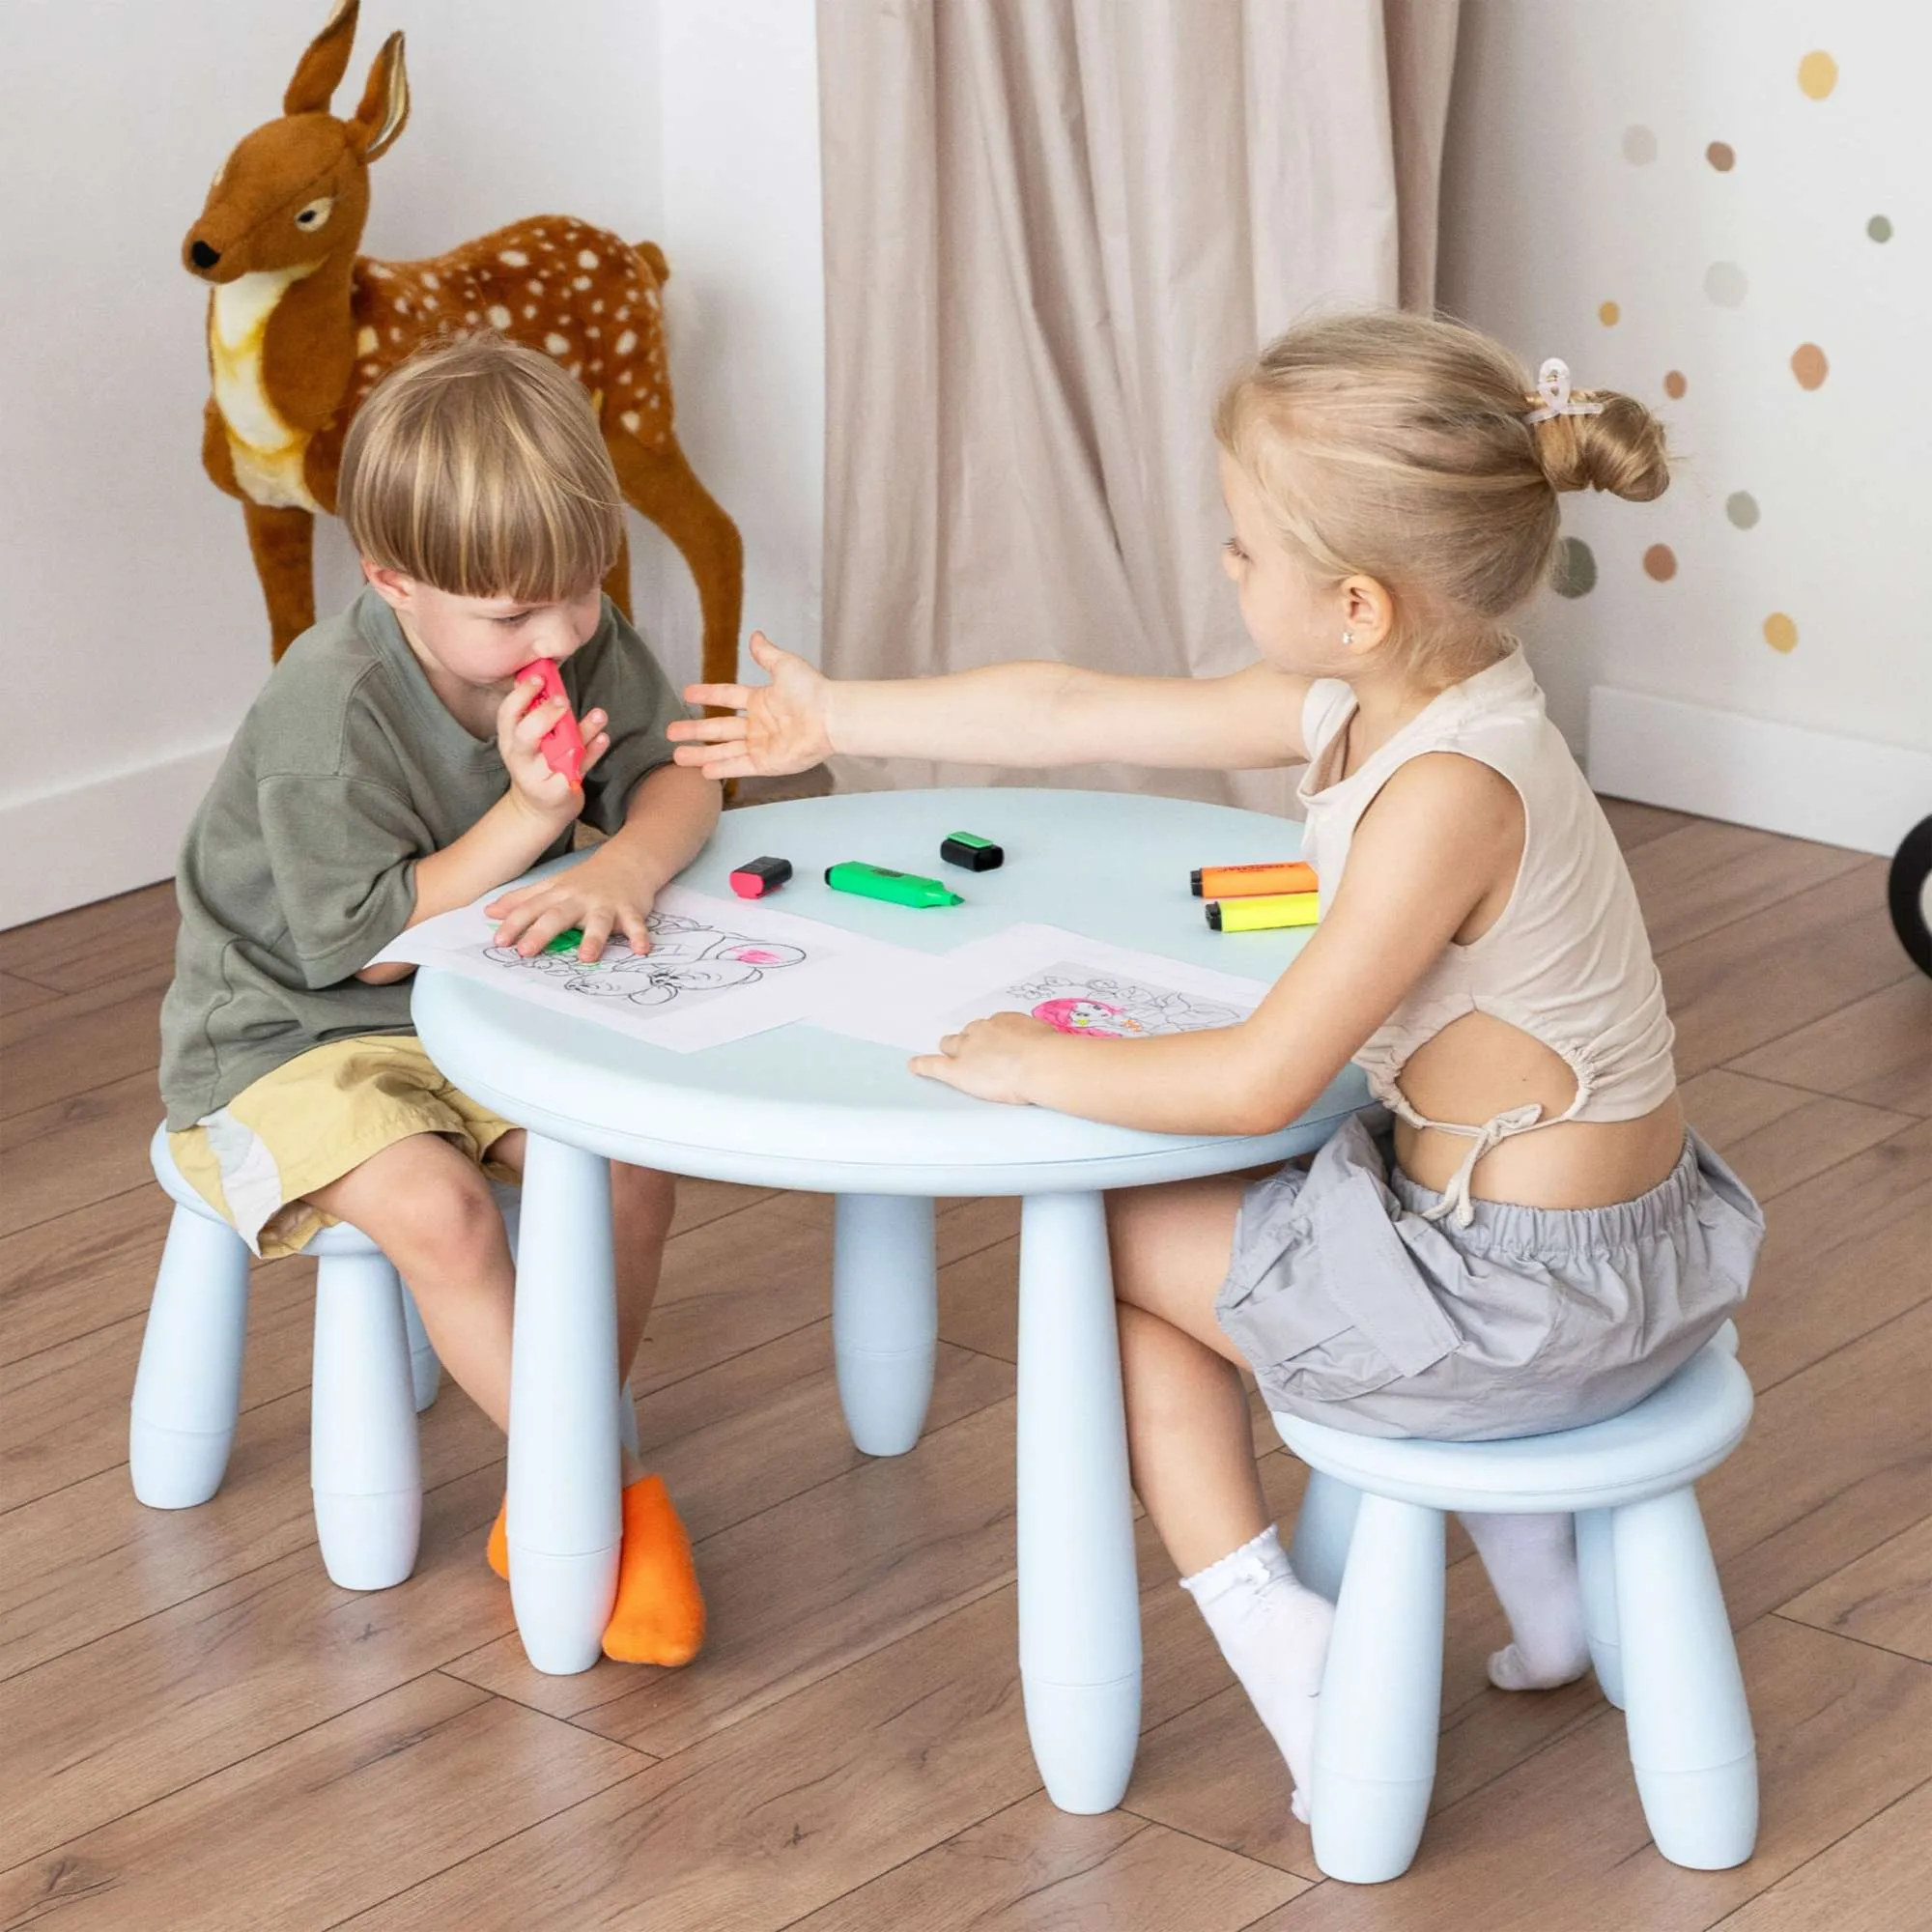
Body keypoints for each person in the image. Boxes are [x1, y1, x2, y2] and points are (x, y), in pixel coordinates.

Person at [668, 310, 1765, 1814]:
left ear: (1358, 605)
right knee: (1255, 1183)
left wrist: (1037, 1061)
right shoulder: (1424, 703)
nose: (1227, 566)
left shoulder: (1444, 794)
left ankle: (1274, 1637)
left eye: (1245, 547)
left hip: (1521, 1309)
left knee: (1101, 1230)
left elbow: (1257, 1082)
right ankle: (1543, 1578)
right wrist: (834, 714)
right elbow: (1072, 710)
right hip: (1622, 1257)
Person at [160, 333, 720, 1664]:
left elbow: (677, 773)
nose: (560, 635)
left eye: (580, 590)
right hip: (291, 1032)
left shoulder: (571, 631)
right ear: (392, 581)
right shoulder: (330, 710)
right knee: (444, 1215)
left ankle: (559, 1449)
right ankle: (595, 1487)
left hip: (479, 1004)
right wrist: (532, 818)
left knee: (629, 1169)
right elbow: (367, 949)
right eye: (515, 617)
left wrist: (627, 858)